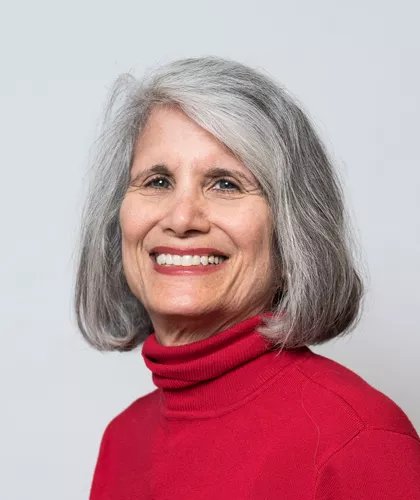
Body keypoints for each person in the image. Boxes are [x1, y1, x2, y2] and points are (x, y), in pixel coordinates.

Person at [74, 56, 420, 499]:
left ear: (293, 230)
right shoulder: (123, 439)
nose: (181, 218)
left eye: (226, 184)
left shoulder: (358, 442)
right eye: (158, 181)